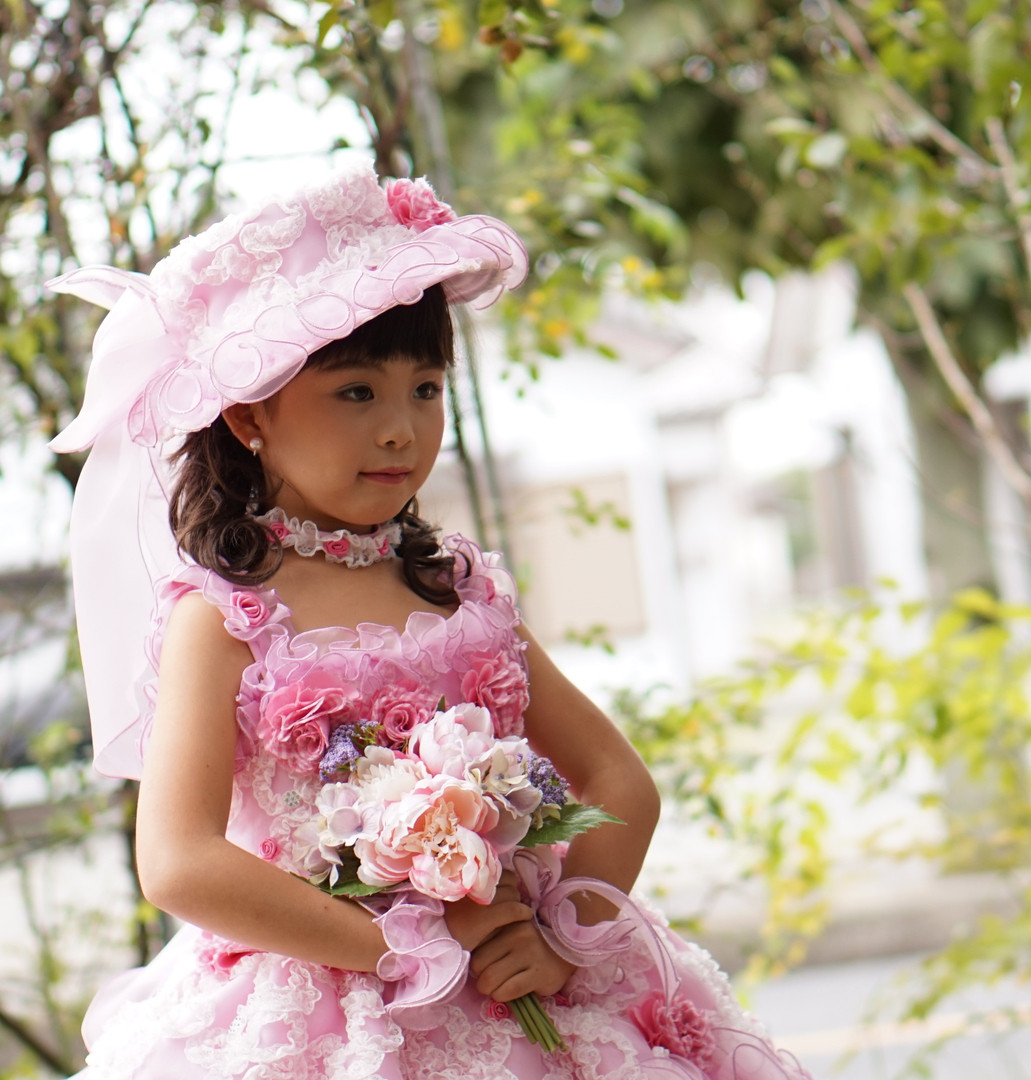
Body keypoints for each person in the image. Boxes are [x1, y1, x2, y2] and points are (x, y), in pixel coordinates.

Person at [49, 164, 808, 1080]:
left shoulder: (457, 589)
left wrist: (564, 937)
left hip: (518, 977)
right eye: (356, 393)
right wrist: (403, 947)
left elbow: (619, 780)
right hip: (327, 1006)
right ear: (249, 414)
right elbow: (179, 862)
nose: (401, 430)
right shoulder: (227, 619)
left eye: (426, 388)